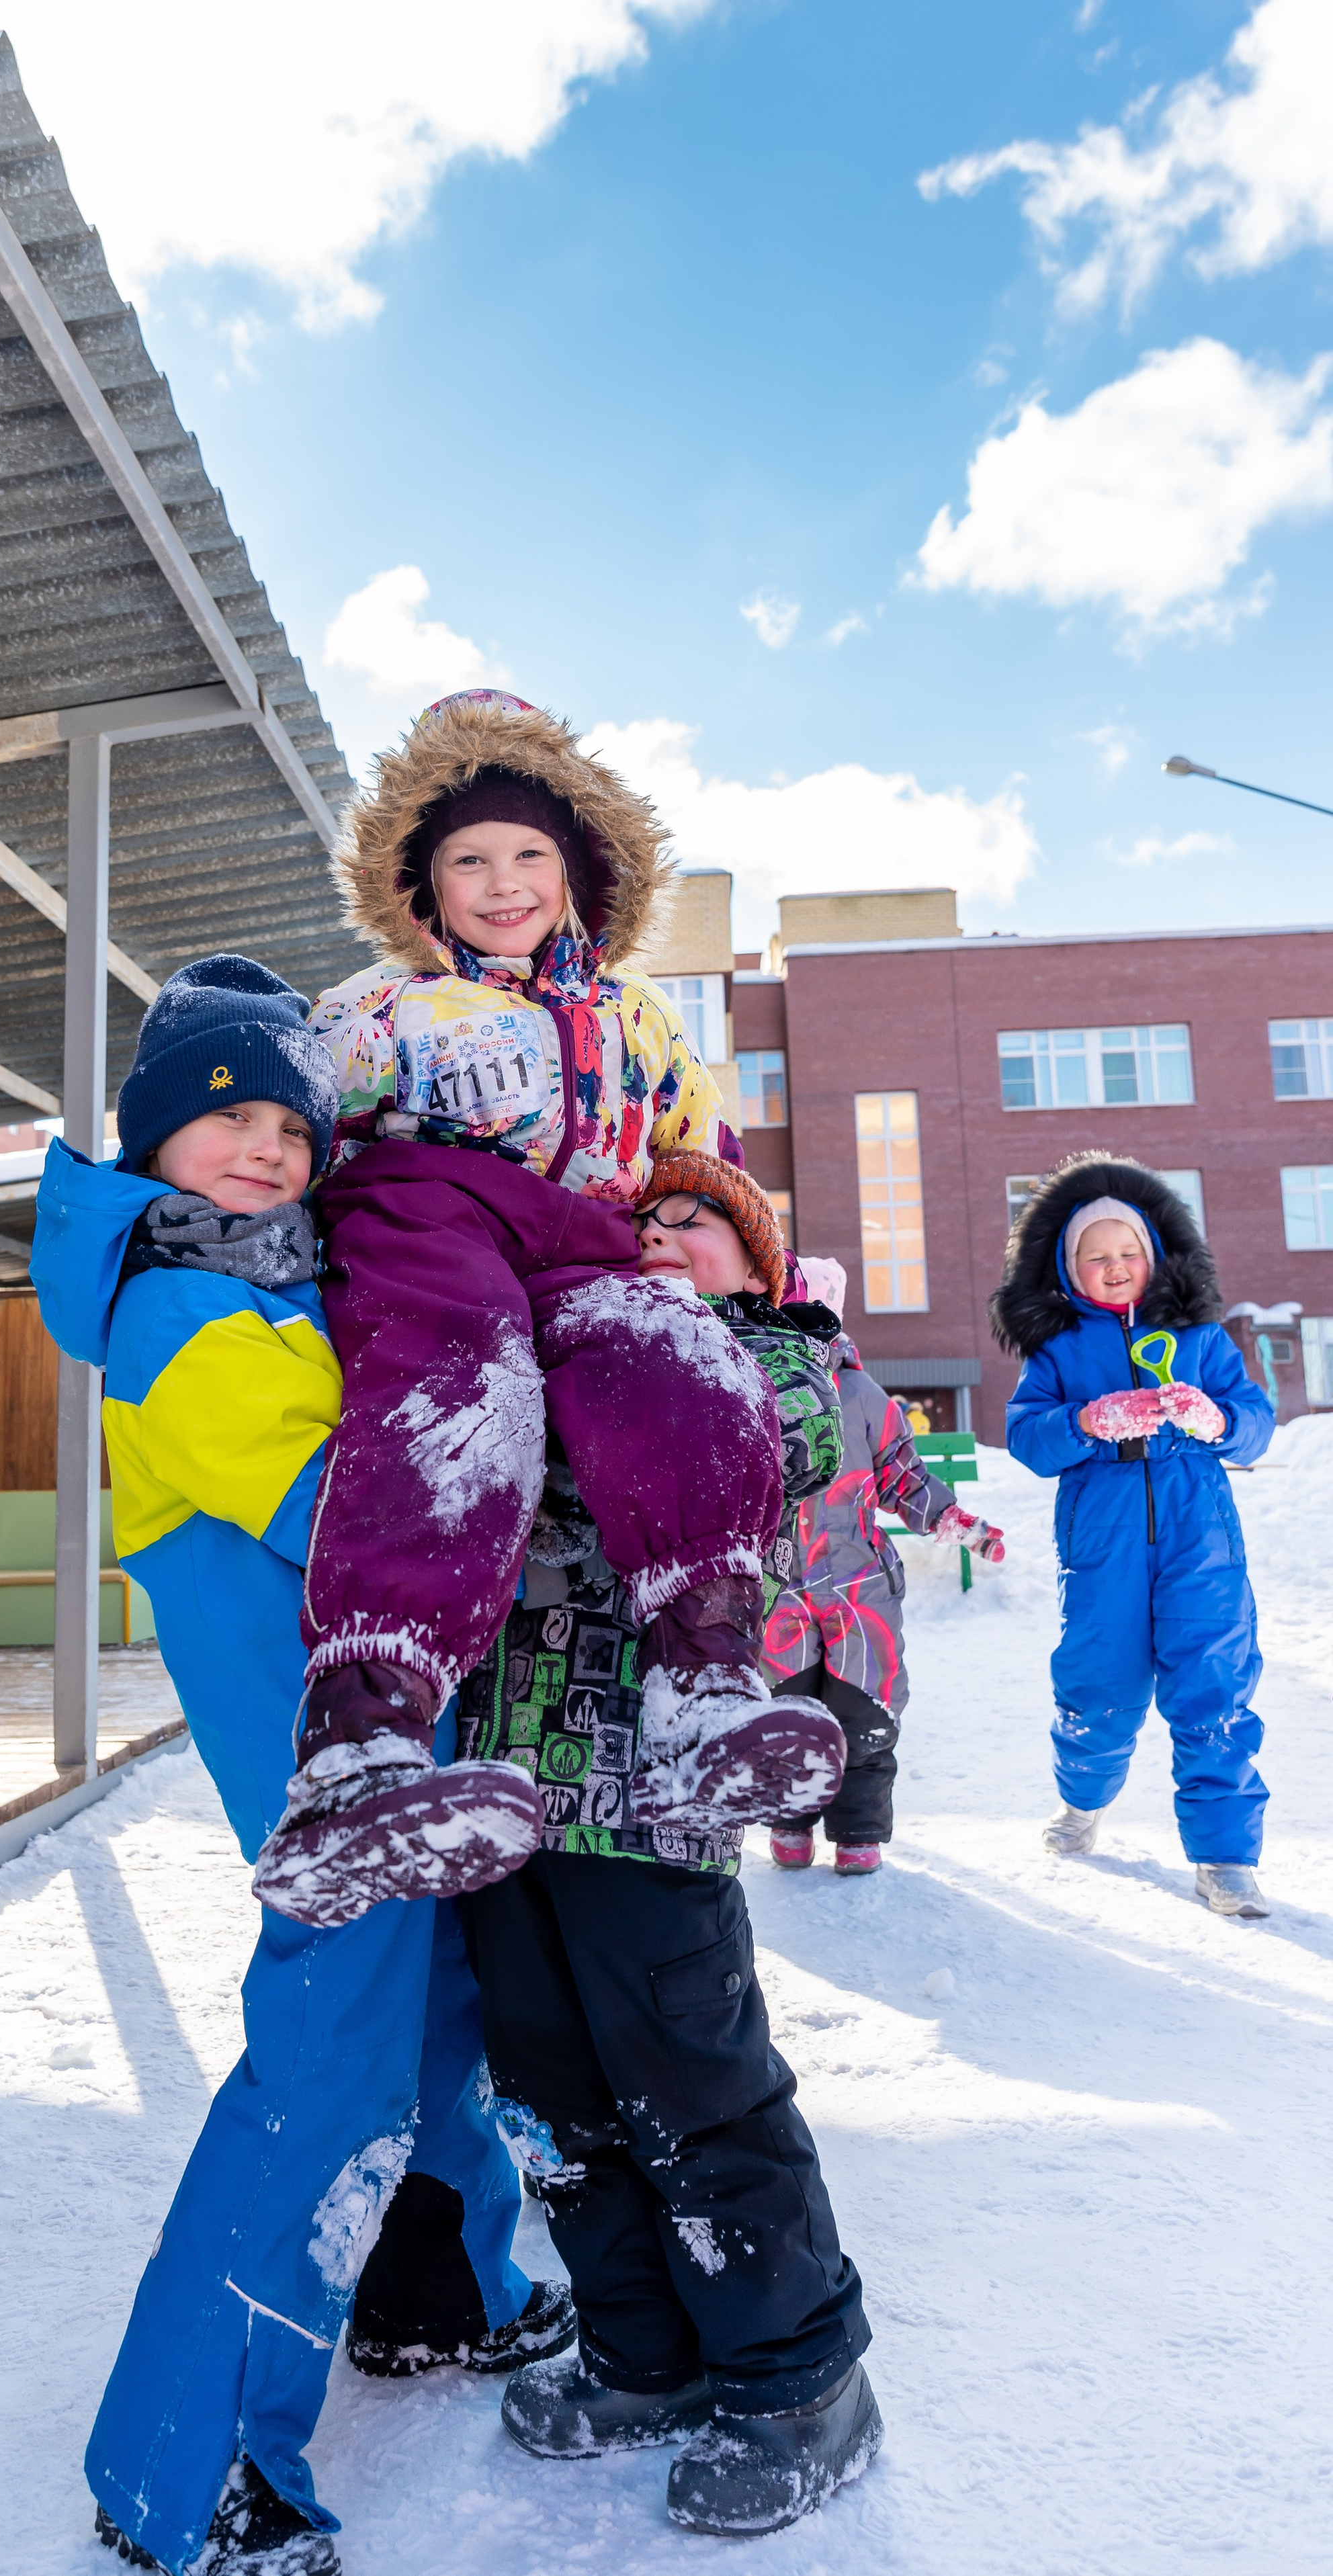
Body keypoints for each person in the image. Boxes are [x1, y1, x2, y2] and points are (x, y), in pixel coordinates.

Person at [30, 956, 568, 2576]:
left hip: (391, 1745)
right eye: (224, 1120)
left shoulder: (269, 1284)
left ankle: (441, 2288)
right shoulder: (178, 1309)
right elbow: (339, 1503)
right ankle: (179, 2473)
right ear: (149, 1140)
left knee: (435, 2010)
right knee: (323, 2066)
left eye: (287, 1122)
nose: (262, 1148)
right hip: (320, 1779)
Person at [253, 690, 843, 1928]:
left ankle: (706, 1681)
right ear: (423, 891)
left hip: (584, 1235)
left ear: (580, 875)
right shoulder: (380, 1008)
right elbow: (288, 1124)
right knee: (461, 1379)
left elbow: (701, 1155)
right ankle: (363, 1735)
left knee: (667, 1348)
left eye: (530, 854)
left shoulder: (638, 1018)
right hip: (427, 1208)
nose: (503, 879)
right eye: (469, 858)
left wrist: (744, 1274)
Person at [459, 1152, 881, 2540]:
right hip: (514, 1797)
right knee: (553, 2100)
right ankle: (641, 2353)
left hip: (650, 1811)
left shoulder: (775, 1364)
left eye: (691, 1220)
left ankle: (797, 2378)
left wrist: (657, 1337)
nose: (657, 1235)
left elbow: (793, 1446)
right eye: (634, 1222)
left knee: (693, 2086)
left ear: (759, 1267)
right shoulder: (557, 1356)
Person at [990, 1154, 1275, 1918]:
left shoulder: (1200, 1337)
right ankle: (1083, 1800)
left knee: (1213, 1686)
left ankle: (1225, 1855)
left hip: (1199, 1538)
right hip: (1103, 1541)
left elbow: (1254, 1425)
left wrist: (1216, 1420)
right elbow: (1027, 1440)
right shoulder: (1058, 1350)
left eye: (1127, 1254)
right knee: (1099, 1688)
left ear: (1151, 1260)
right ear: (1069, 1267)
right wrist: (1085, 1422)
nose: (1114, 1269)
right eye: (1097, 1257)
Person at [760, 1256, 1006, 1876]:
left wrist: (960, 1525)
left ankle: (859, 1829)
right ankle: (791, 1821)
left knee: (864, 1709)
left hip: (857, 1585)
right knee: (786, 1706)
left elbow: (904, 1477)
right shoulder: (750, 1385)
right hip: (780, 1586)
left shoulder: (862, 1396)